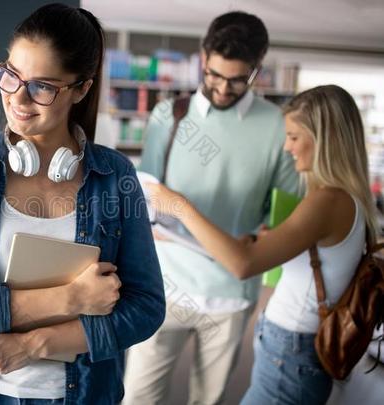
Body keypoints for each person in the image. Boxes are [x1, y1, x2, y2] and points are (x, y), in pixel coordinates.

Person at [0, 4, 165, 405]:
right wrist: (69, 298)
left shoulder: (115, 176)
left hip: (83, 395)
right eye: (11, 75)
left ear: (81, 88)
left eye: (42, 87)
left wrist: (36, 344)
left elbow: (146, 307)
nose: (18, 97)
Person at [146, 84, 378, 404]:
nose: (287, 148)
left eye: (294, 137)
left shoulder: (328, 200)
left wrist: (180, 206)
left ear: (324, 139)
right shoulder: (343, 199)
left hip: (291, 354)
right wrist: (260, 242)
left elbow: (243, 265)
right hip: (293, 351)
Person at [123, 11, 299, 405]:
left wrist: (260, 237)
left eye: (237, 80)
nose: (222, 89)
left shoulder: (276, 125)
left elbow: (285, 212)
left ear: (257, 69)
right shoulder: (169, 115)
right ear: (204, 57)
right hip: (163, 285)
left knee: (210, 400)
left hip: (230, 294)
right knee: (136, 397)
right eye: (215, 76)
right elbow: (146, 190)